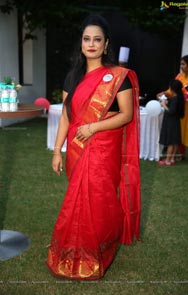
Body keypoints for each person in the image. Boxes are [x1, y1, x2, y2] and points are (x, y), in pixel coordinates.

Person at [46, 15, 141, 280]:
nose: (91, 44)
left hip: (102, 149)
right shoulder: (72, 77)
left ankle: (98, 249)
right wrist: (57, 150)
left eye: (97, 39)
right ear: (81, 44)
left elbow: (126, 115)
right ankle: (75, 249)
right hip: (77, 148)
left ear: (106, 44)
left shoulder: (117, 77)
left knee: (100, 201)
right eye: (87, 39)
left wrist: (93, 128)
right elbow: (66, 116)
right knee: (77, 202)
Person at [157, 55, 188, 166]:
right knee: (180, 131)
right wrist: (164, 93)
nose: (181, 66)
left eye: (183, 64)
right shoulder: (179, 76)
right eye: (181, 64)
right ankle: (181, 154)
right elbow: (172, 89)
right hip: (181, 107)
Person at [157, 79, 185, 166]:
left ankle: (168, 160)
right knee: (174, 141)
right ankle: (172, 158)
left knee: (170, 142)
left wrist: (164, 105)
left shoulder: (175, 98)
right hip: (175, 121)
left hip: (171, 122)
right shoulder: (178, 97)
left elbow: (171, 111)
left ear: (172, 89)